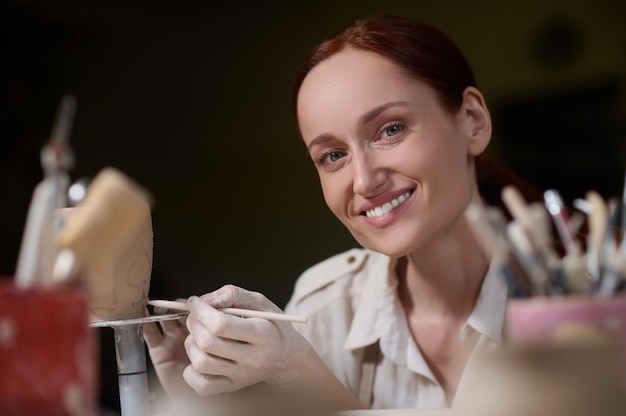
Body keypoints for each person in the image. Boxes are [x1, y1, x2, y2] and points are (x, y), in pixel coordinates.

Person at [144, 14, 543, 412]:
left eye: (390, 129)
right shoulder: (322, 309)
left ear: (472, 120)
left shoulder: (582, 304)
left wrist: (303, 375)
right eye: (333, 155)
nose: (364, 181)